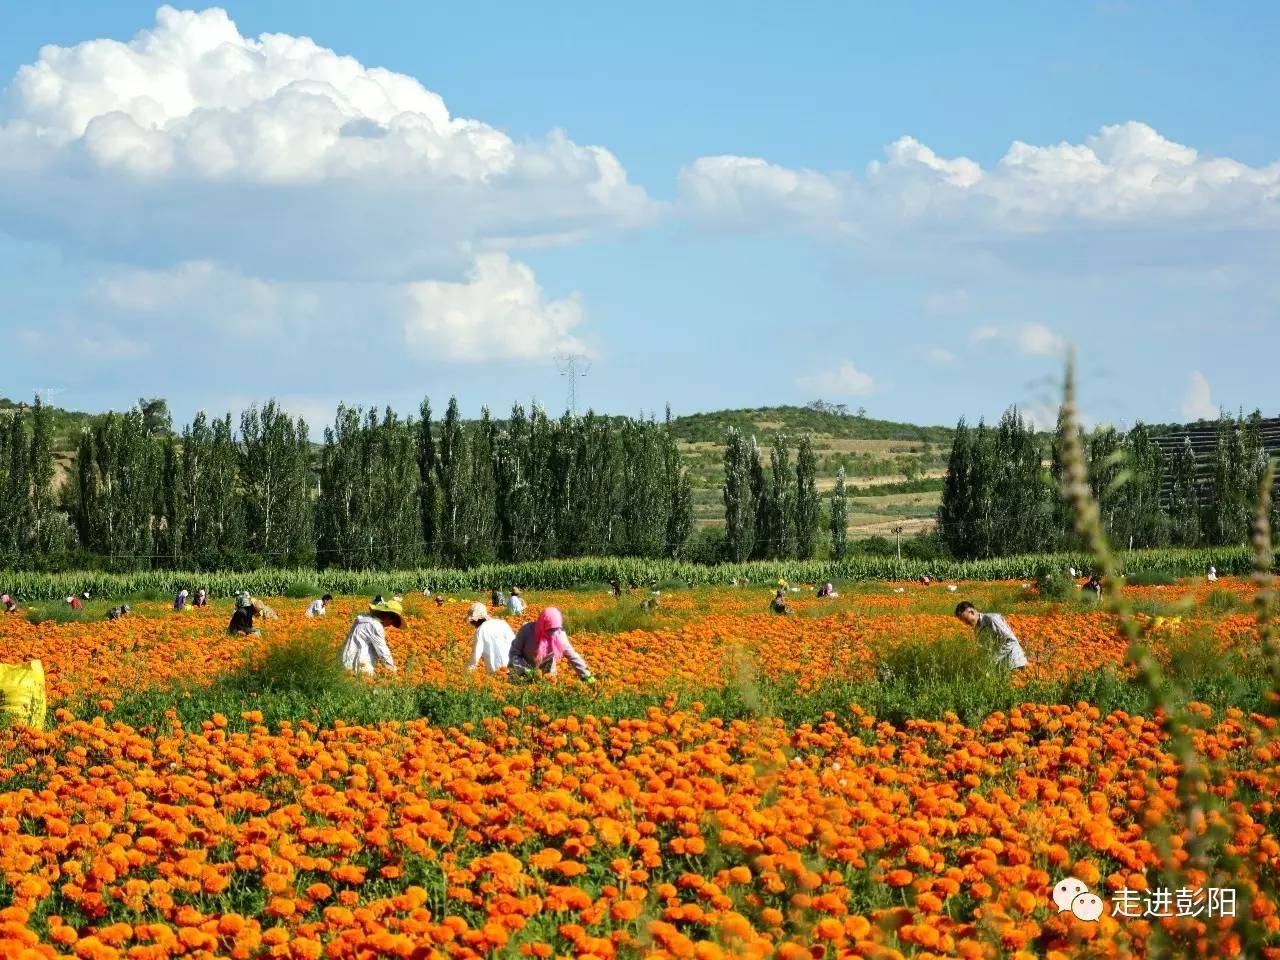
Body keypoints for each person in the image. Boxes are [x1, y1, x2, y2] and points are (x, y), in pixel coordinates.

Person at [510, 607, 594, 683]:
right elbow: (514, 652)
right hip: (525, 669)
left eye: (555, 628)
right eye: (550, 629)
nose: (552, 633)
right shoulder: (527, 630)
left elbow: (573, 656)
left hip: (548, 671)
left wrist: (586, 675)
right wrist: (525, 670)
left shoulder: (559, 635)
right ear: (542, 623)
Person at [954, 601, 1028, 670]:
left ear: (972, 612)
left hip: (1014, 663)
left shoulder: (992, 619)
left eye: (966, 620)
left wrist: (993, 659)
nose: (966, 623)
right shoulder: (977, 627)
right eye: (963, 621)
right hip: (1002, 665)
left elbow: (1011, 640)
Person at [341, 598, 403, 676]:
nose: (390, 625)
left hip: (346, 658)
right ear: (389, 617)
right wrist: (392, 670)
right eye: (393, 622)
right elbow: (382, 651)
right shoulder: (375, 625)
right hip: (360, 663)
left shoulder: (363, 618)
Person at [465, 602, 515, 674]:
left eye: (472, 621)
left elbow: (475, 655)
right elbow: (514, 643)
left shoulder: (481, 630)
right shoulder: (502, 623)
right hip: (513, 666)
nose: (472, 624)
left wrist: (467, 673)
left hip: (497, 670)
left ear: (475, 620)